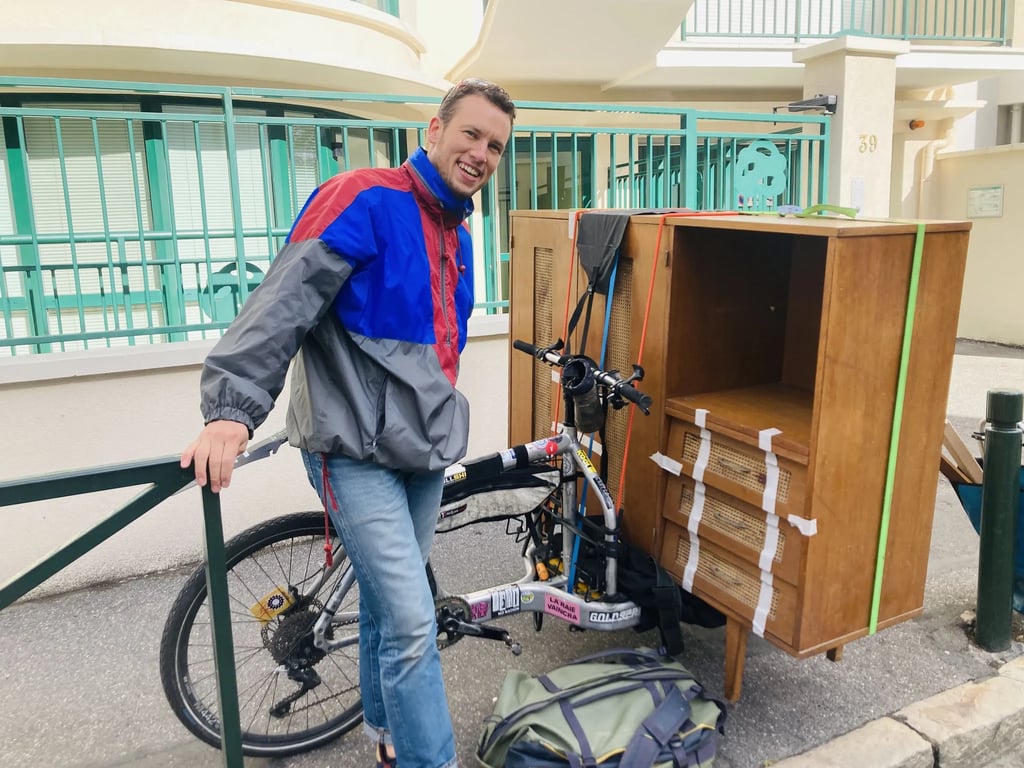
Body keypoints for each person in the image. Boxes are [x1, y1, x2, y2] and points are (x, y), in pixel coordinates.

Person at [180, 78, 516, 768]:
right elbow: (283, 302)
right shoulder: (362, 197)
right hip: (352, 451)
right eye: (471, 134)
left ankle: (386, 739)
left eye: (496, 145)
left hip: (420, 457)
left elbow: (436, 358)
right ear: (434, 129)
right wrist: (231, 410)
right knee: (415, 622)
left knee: (386, 614)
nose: (481, 152)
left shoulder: (462, 237)